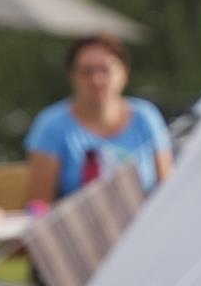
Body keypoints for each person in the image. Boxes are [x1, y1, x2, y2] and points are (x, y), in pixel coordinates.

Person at [25, 34, 172, 205]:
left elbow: (169, 190)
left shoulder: (146, 116)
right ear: (72, 76)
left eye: (105, 70)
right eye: (86, 72)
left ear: (124, 72)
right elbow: (40, 205)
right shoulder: (51, 125)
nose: (96, 80)